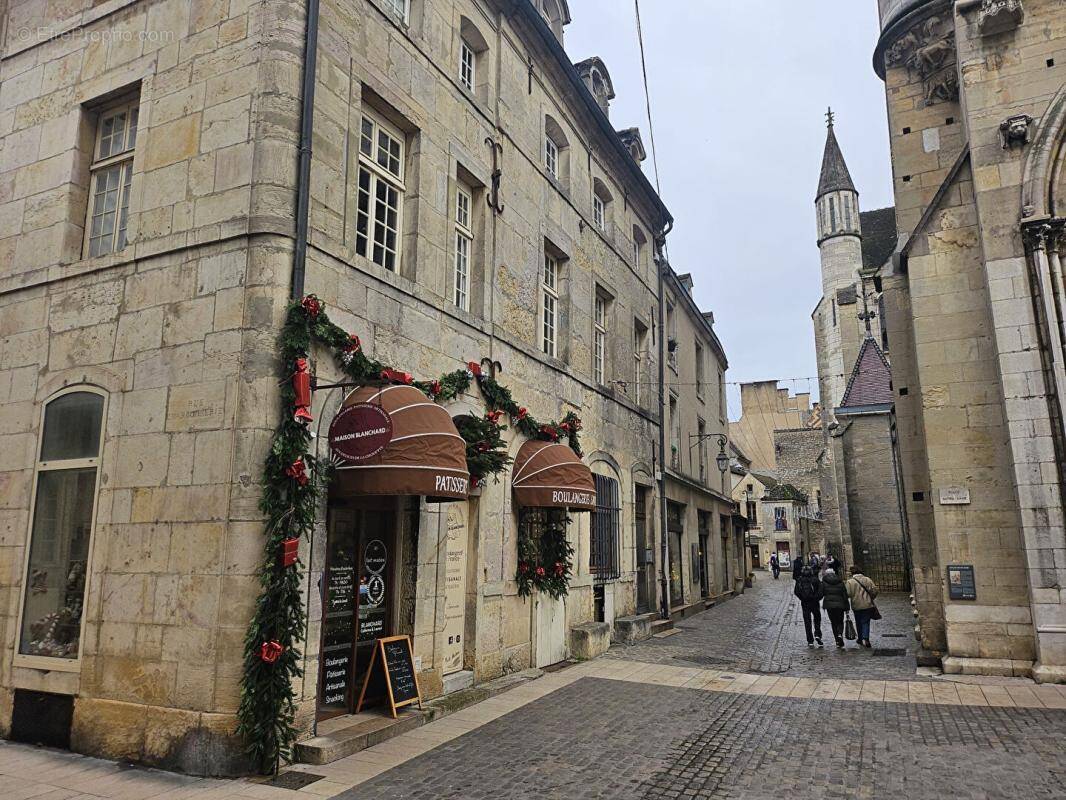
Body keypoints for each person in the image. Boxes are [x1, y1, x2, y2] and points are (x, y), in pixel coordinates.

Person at [846, 565, 880, 648]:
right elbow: (875, 590)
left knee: (858, 622)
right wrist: (871, 597)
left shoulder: (850, 582)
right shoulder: (867, 579)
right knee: (866, 621)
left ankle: (860, 638)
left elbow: (848, 594)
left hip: (856, 605)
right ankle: (866, 638)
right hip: (867, 604)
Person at [794, 565, 824, 647]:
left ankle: (810, 640)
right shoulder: (815, 579)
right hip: (814, 603)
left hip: (805, 603)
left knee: (807, 622)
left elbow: (796, 591)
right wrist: (817, 598)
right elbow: (821, 591)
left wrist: (802, 598)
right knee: (817, 619)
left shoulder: (799, 580)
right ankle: (817, 634)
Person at [821, 567, 850, 648]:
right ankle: (840, 633)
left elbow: (821, 593)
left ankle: (837, 640)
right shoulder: (840, 582)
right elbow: (845, 595)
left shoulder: (824, 582)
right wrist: (847, 608)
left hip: (829, 605)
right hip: (840, 605)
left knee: (833, 622)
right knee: (840, 621)